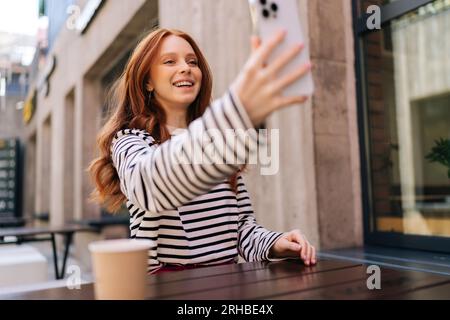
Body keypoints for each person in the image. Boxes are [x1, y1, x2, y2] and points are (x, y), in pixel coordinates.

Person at [89, 28, 316, 274]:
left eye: (192, 61)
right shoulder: (130, 141)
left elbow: (241, 229)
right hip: (169, 289)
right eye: (169, 61)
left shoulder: (218, 141)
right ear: (147, 81)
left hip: (230, 285)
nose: (186, 67)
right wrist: (238, 109)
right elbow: (149, 187)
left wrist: (274, 243)